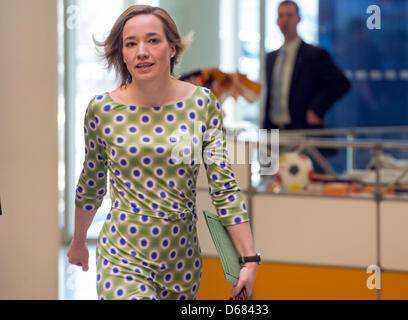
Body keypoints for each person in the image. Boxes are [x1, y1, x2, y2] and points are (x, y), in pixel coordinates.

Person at [66, 5, 258, 300]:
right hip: (123, 256)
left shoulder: (201, 104)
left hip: (181, 262)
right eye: (131, 43)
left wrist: (249, 260)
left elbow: (225, 188)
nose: (142, 51)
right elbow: (91, 183)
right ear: (123, 53)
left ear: (171, 48)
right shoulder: (101, 110)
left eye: (153, 40)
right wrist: (79, 241)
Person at [262, 0, 351, 131]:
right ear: (277, 21)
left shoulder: (314, 55)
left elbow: (341, 83)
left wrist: (316, 109)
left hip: (301, 130)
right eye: (281, 16)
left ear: (298, 19)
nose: (285, 20)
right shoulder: (271, 58)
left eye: (289, 15)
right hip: (274, 130)